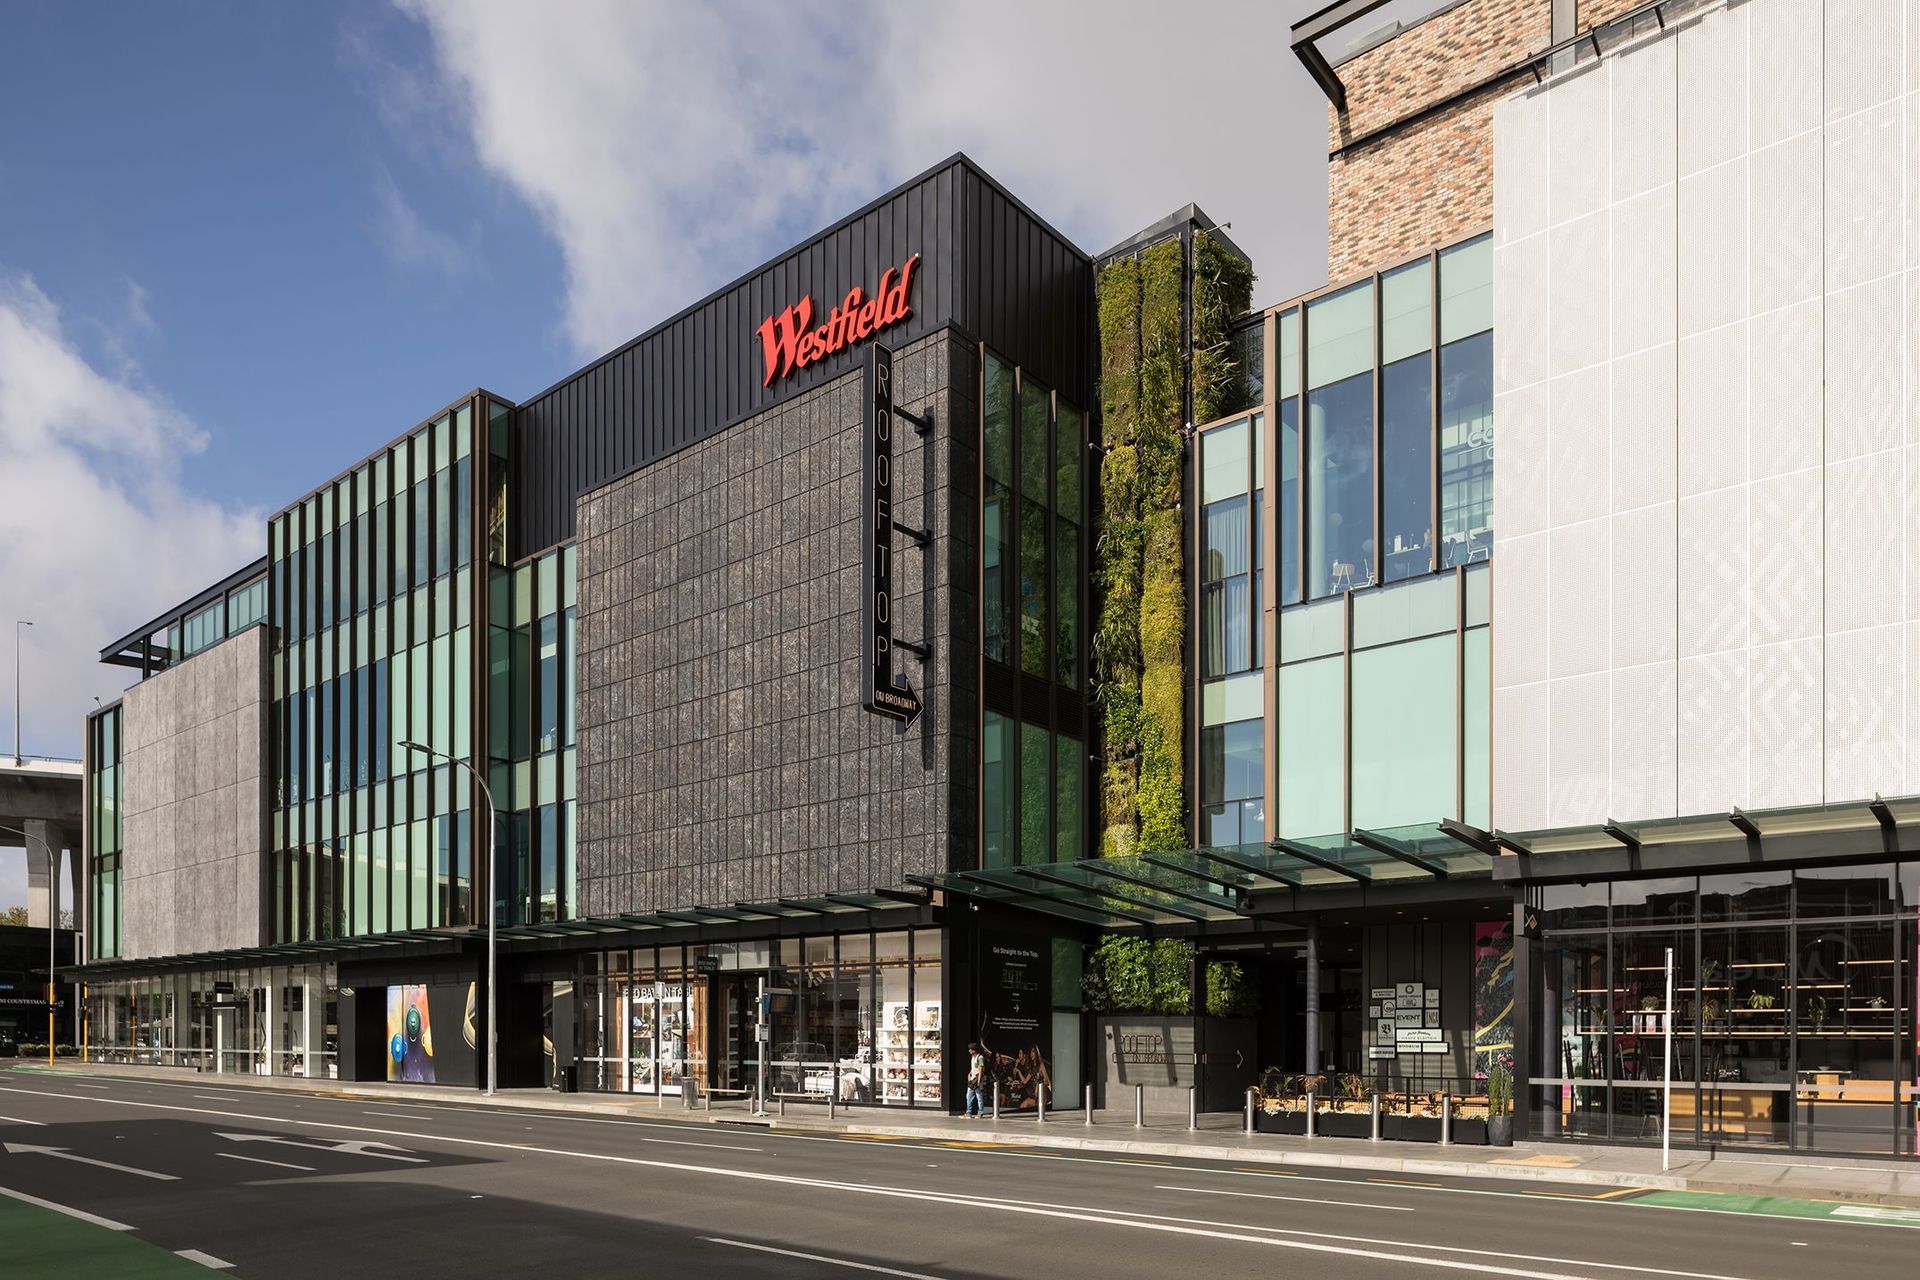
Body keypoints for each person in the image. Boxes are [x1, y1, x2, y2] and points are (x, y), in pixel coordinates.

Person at [965, 1042, 987, 1118]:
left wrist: (978, 1081)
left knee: (979, 1097)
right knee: (969, 1096)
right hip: (972, 1080)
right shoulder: (973, 1058)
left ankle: (980, 1113)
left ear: (974, 1050)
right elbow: (974, 1067)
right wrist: (969, 1073)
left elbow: (980, 1069)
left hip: (976, 1080)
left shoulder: (980, 1057)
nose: (969, 1051)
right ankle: (968, 1113)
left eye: (970, 1049)